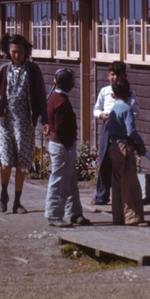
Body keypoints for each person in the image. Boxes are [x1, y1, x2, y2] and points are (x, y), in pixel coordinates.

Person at [0, 34, 49, 214]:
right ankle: (3, 195)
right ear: (7, 52)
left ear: (26, 52)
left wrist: (45, 120)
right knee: (5, 161)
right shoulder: (3, 70)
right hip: (4, 122)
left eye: (20, 52)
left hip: (24, 123)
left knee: (22, 163)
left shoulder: (33, 70)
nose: (17, 55)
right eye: (13, 52)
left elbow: (41, 96)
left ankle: (17, 201)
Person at [44, 69, 91, 228]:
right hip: (63, 146)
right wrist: (69, 144)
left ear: (55, 82)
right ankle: (53, 215)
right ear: (72, 85)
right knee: (58, 180)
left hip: (59, 144)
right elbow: (62, 128)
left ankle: (75, 213)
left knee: (71, 180)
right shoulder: (62, 102)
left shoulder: (53, 98)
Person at [91, 61, 140, 206]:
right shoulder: (105, 91)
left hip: (123, 129)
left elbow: (136, 111)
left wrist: (127, 114)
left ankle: (122, 197)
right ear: (108, 76)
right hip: (107, 127)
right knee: (104, 160)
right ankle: (101, 196)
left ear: (125, 75)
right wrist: (101, 115)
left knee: (123, 161)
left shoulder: (130, 92)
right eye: (113, 75)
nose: (115, 78)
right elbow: (96, 109)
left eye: (119, 75)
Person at [107, 78, 147, 226]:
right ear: (129, 93)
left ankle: (118, 216)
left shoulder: (113, 109)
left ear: (113, 94)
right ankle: (132, 217)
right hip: (125, 147)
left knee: (117, 183)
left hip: (113, 147)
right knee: (129, 183)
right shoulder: (127, 109)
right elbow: (131, 131)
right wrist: (140, 143)